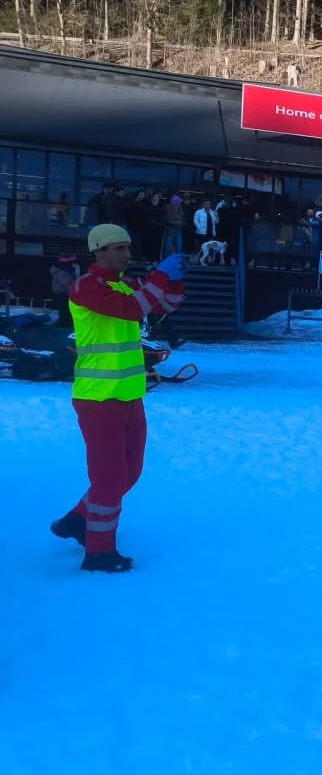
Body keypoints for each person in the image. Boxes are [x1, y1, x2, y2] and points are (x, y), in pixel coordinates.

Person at [48, 224, 188, 572]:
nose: (127, 254)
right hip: (98, 398)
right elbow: (132, 309)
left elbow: (165, 304)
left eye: (128, 247)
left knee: (130, 472)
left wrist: (175, 278)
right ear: (99, 251)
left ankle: (77, 520)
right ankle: (98, 552)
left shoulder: (121, 284)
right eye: (119, 248)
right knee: (110, 478)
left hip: (128, 394)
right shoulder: (87, 287)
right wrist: (159, 274)